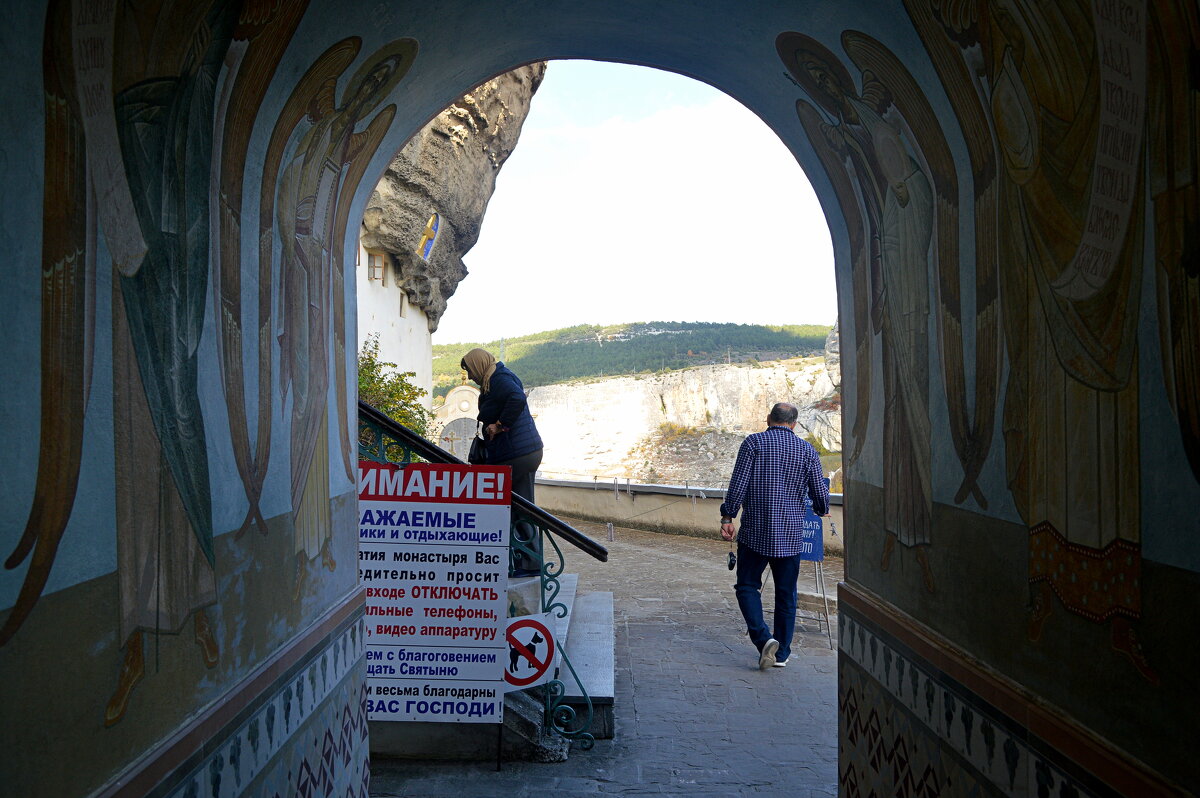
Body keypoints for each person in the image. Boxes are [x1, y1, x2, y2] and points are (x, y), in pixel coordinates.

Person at [720, 402, 830, 669]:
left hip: (755, 532)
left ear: (768, 418)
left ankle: (763, 638)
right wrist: (820, 508)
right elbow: (820, 497)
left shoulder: (753, 443)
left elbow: (738, 484)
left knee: (747, 586)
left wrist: (728, 516)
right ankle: (781, 654)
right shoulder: (807, 450)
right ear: (794, 423)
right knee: (786, 594)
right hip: (790, 536)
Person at [460, 348, 544, 501]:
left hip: (517, 453)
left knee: (515, 505)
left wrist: (499, 425)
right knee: (518, 504)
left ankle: (525, 526)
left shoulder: (498, 379)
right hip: (520, 451)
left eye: (471, 371)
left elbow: (517, 397)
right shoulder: (495, 378)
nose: (471, 376)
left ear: (480, 365)